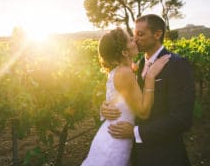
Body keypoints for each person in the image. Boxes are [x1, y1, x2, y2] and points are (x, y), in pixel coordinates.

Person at [101, 14, 195, 166]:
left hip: (164, 155)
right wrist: (107, 106)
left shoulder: (177, 64)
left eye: (141, 34)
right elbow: (128, 97)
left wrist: (135, 132)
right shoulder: (135, 65)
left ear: (157, 34)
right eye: (134, 34)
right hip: (135, 154)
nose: (135, 39)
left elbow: (182, 119)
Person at [81, 27, 171, 166]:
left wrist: (104, 106)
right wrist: (150, 77)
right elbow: (143, 112)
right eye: (130, 39)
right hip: (114, 142)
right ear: (124, 52)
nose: (134, 39)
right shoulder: (124, 73)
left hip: (115, 136)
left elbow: (116, 98)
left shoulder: (126, 69)